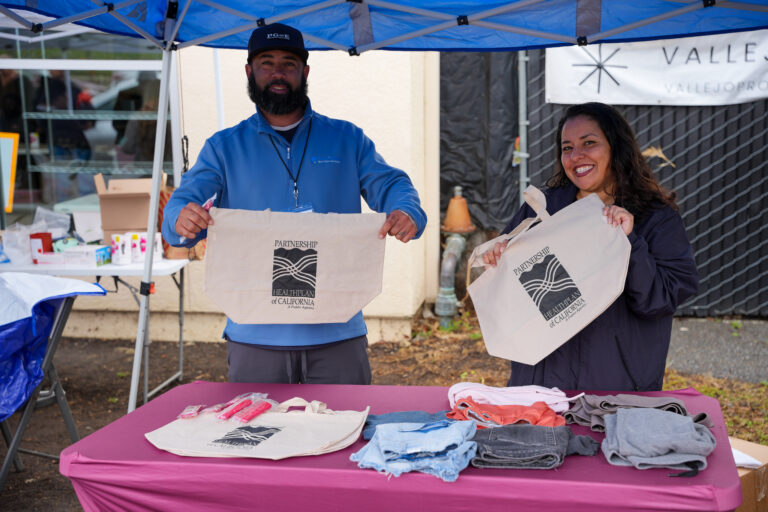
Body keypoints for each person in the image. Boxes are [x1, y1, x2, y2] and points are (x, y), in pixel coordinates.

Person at [162, 23, 427, 385]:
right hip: (254, 336)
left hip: (337, 332)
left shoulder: (347, 139)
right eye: (266, 62)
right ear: (249, 72)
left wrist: (406, 210)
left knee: (346, 435)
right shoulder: (223, 147)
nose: (277, 73)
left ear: (304, 72)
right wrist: (181, 219)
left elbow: (393, 184)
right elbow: (181, 206)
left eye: (288, 63)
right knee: (257, 437)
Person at [482, 102, 698, 391]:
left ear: (616, 148)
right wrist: (499, 261)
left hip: (614, 391)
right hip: (542, 386)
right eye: (567, 147)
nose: (576, 156)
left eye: (589, 143)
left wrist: (630, 244)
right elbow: (513, 300)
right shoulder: (542, 210)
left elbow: (661, 299)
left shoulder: (655, 217)